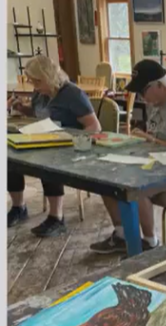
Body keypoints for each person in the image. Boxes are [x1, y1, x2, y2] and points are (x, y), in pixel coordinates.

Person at [90, 59, 166, 254]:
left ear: (160, 85)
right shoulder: (155, 103)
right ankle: (122, 235)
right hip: (154, 162)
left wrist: (148, 139)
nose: (142, 97)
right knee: (106, 181)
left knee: (134, 186)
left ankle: (150, 242)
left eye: (144, 91)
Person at [8, 55, 100, 237]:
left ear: (48, 76)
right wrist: (22, 108)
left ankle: (56, 217)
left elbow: (94, 127)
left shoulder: (72, 94)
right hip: (44, 138)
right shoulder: (41, 93)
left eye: (36, 80)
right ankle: (19, 207)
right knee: (10, 157)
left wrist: (71, 140)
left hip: (69, 146)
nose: (32, 84)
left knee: (47, 162)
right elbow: (38, 114)